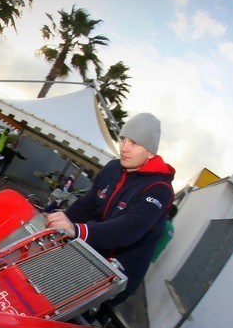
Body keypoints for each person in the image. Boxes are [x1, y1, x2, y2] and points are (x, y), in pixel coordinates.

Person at [45, 112, 175, 306]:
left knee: (63, 311)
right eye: (123, 139)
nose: (124, 148)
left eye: (134, 143)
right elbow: (88, 203)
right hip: (90, 256)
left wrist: (77, 230)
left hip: (117, 274)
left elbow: (131, 227)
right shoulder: (113, 168)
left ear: (150, 153)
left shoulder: (160, 189)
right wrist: (60, 219)